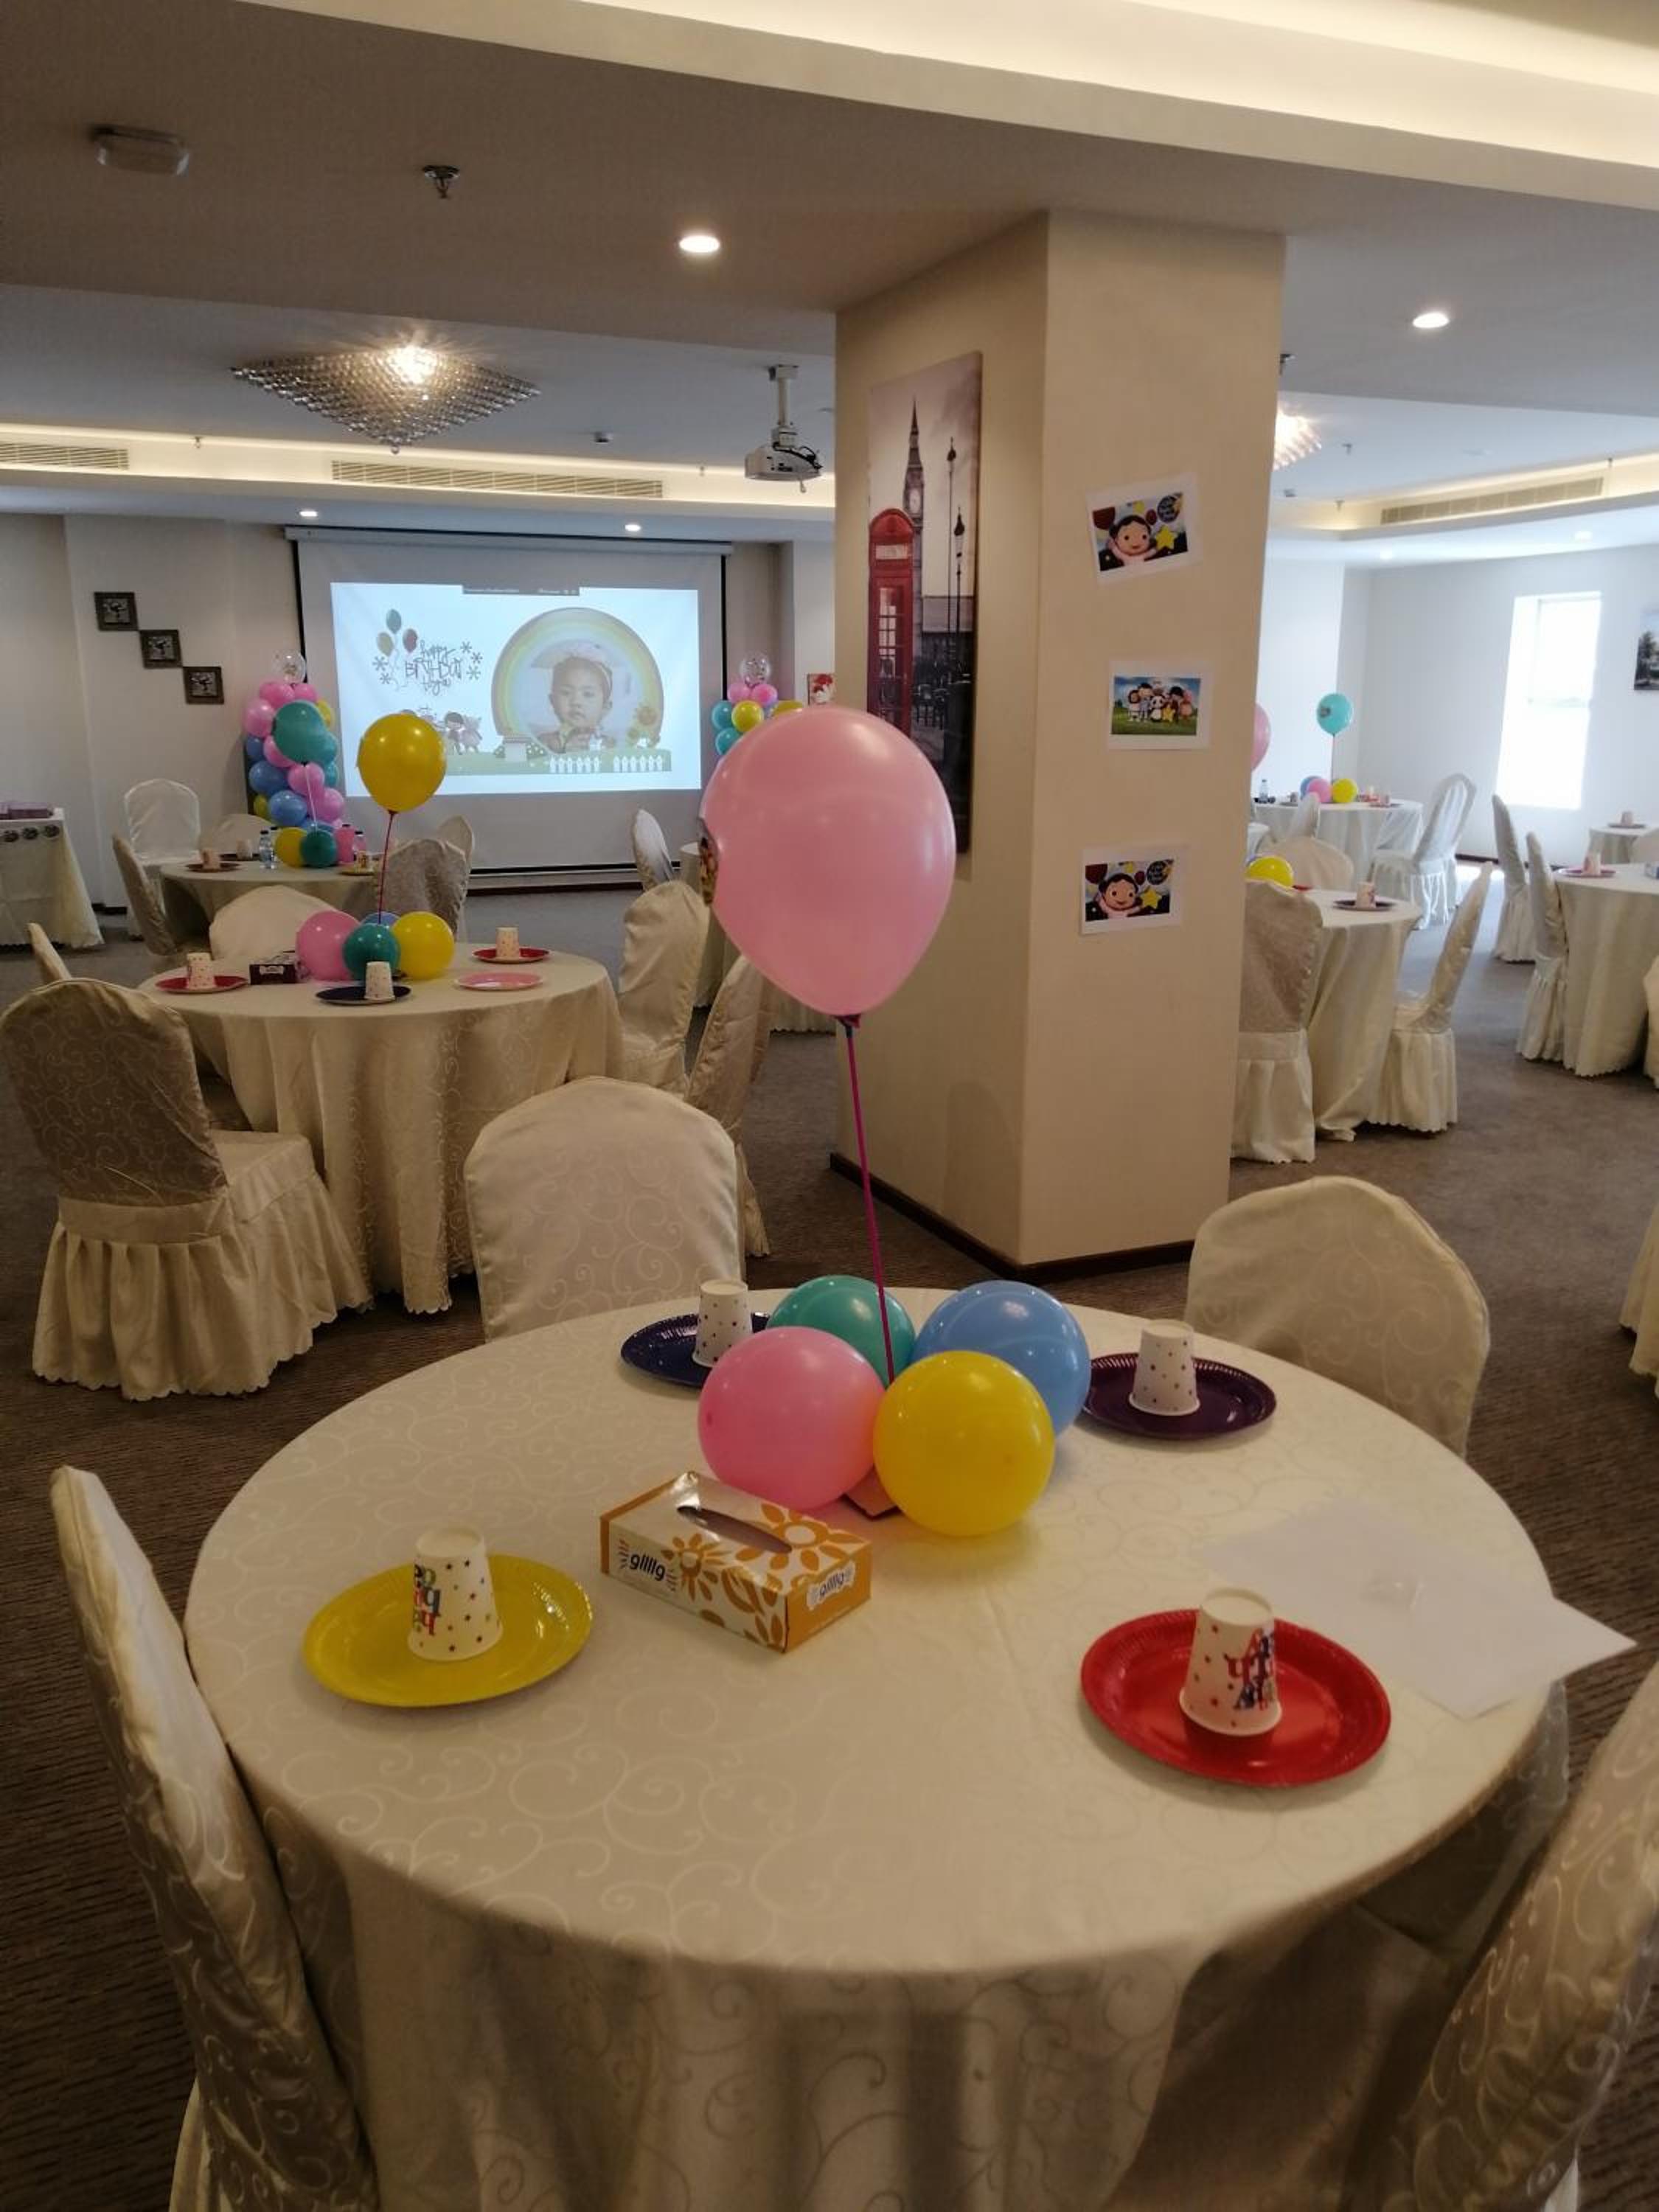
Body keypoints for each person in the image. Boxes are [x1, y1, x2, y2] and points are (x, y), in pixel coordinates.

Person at [542, 650, 614, 752]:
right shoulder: (546, 743)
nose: (576, 702)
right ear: (553, 702)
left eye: (588, 694)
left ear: (605, 708)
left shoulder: (610, 745)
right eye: (566, 693)